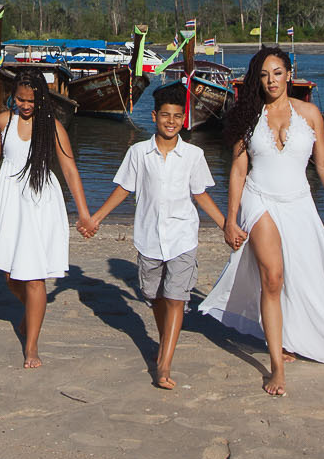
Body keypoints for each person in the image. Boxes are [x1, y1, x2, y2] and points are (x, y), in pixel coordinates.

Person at [198, 47, 324, 396]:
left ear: (289, 75)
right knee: (273, 278)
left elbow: (323, 165)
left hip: (299, 203)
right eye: (264, 75)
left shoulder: (309, 114)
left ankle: (292, 336)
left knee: (306, 278)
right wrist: (230, 219)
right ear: (257, 79)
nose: (271, 81)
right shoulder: (249, 116)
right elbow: (238, 170)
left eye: (277, 73)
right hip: (258, 198)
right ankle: (276, 364)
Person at [0, 71, 92, 368]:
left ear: (42, 99)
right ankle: (32, 313)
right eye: (20, 99)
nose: (25, 105)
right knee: (11, 276)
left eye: (31, 101)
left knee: (34, 277)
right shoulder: (3, 121)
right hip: (9, 201)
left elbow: (70, 171)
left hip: (40, 202)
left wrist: (85, 214)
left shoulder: (53, 127)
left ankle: (32, 345)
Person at [84, 89, 227, 390]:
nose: (171, 121)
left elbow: (200, 194)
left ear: (184, 119)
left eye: (177, 116)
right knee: (154, 296)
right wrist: (96, 218)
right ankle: (165, 340)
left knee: (177, 298)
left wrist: (226, 224)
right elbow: (124, 189)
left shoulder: (193, 155)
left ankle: (164, 363)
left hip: (182, 237)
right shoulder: (138, 152)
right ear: (154, 117)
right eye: (165, 115)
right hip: (148, 237)